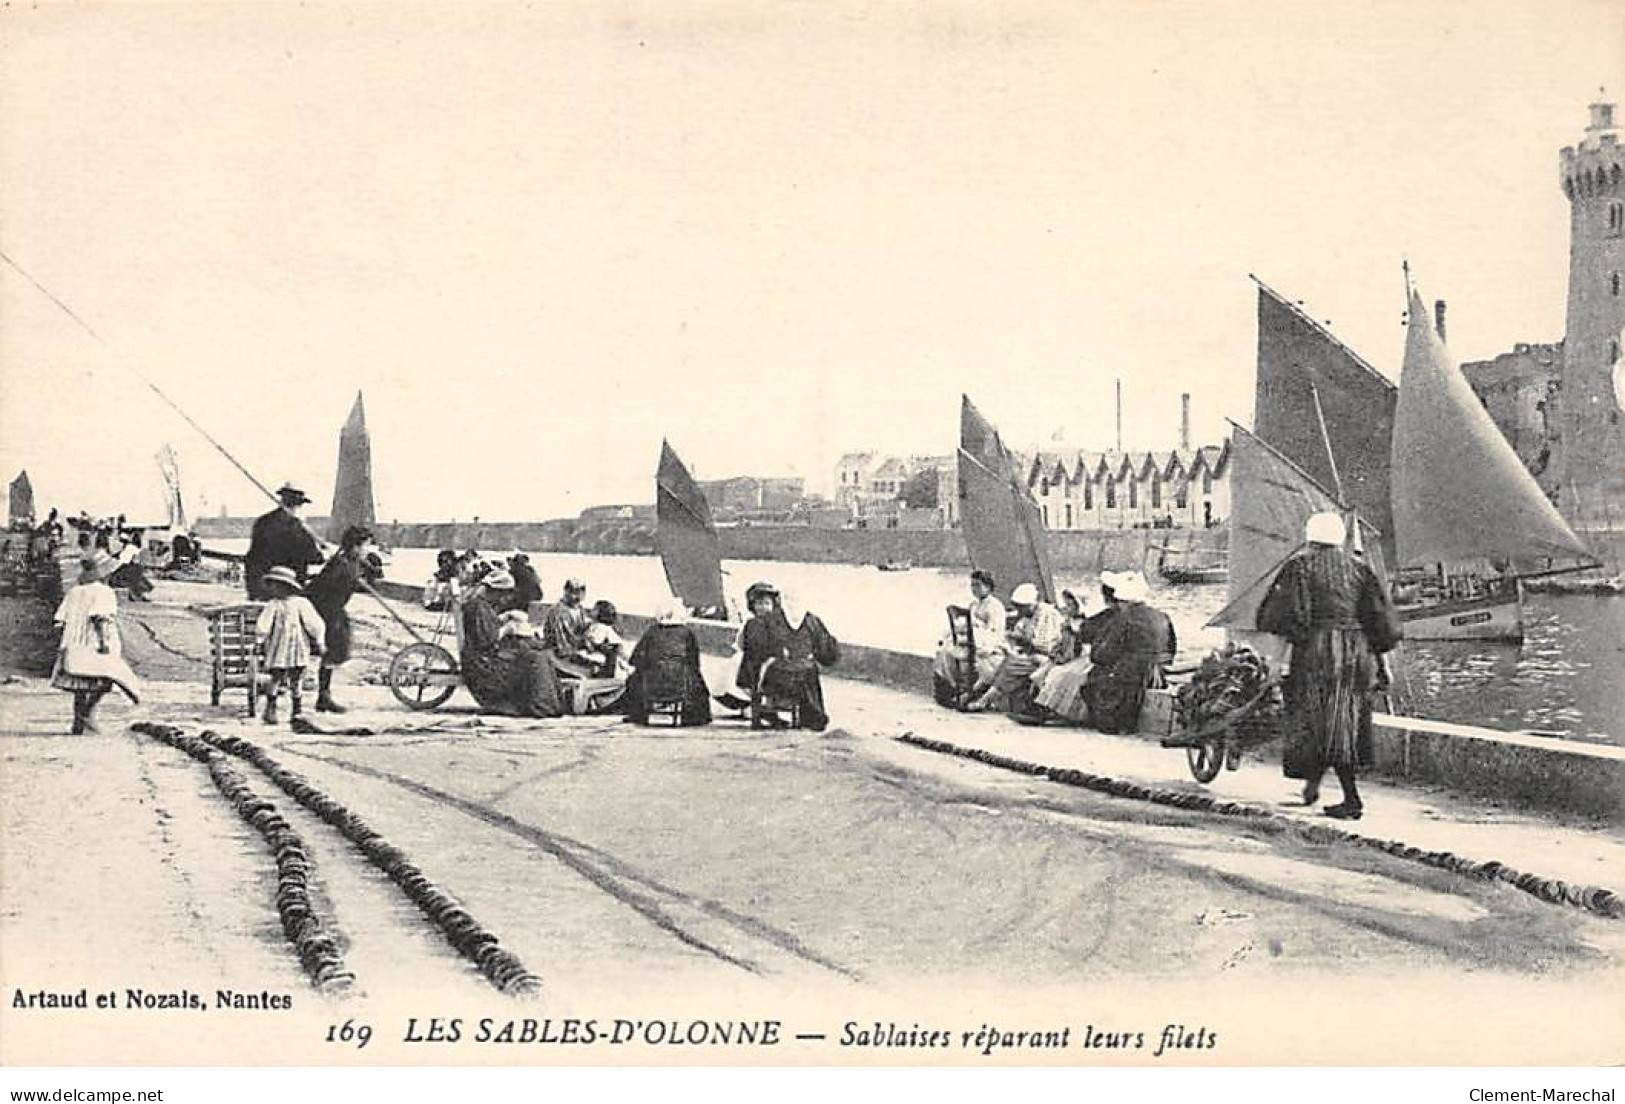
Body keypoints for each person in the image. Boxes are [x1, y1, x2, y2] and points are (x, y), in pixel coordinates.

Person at [1256, 511, 1402, 820]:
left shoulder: (1299, 568)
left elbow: (1287, 620)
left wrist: (1274, 664)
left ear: (1310, 539)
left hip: (1318, 653)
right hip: (1358, 653)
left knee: (1320, 722)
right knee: (1341, 721)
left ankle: (1352, 800)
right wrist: (1383, 666)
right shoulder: (1360, 570)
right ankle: (1313, 786)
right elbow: (1379, 624)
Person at [52, 552, 142, 733]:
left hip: (73, 642)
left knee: (80, 684)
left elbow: (59, 620)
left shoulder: (74, 592)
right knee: (106, 679)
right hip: (94, 642)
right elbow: (99, 618)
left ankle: (78, 722)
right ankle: (87, 714)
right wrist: (104, 642)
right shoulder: (104, 592)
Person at [459, 569, 565, 718]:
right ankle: (542, 705)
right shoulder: (478, 607)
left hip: (483, 656)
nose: (506, 598)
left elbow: (486, 629)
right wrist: (508, 628)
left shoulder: (481, 605)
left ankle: (549, 703)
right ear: (495, 591)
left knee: (533, 654)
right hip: (483, 665)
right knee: (535, 660)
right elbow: (487, 640)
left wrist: (502, 619)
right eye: (504, 594)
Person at [1081, 571, 1176, 734]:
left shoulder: (1123, 619)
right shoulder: (1162, 616)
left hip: (1130, 674)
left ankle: (1109, 721)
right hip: (1158, 671)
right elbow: (1172, 647)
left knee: (1092, 680)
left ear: (1123, 601)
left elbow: (1103, 655)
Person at [736, 585, 840, 730]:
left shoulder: (763, 621)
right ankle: (813, 716)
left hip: (777, 679)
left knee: (762, 668)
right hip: (806, 679)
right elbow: (828, 653)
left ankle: (764, 708)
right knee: (808, 669)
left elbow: (754, 652)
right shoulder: (813, 621)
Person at [304, 525, 381, 714]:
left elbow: (358, 582)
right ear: (355, 547)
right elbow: (322, 588)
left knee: (334, 651)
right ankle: (323, 696)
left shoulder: (349, 562)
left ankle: (324, 695)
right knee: (332, 649)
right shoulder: (340, 565)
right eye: (365, 546)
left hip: (333, 610)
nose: (367, 550)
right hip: (325, 610)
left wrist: (370, 572)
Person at [965, 583, 1065, 714]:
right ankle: (981, 695)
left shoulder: (1047, 614)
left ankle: (983, 698)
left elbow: (1045, 644)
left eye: (1023, 607)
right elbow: (1021, 632)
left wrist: (1022, 640)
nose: (1020, 611)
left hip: (1047, 656)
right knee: (1006, 660)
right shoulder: (1028, 615)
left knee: (1011, 665)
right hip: (1034, 653)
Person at [254, 565, 326, 724]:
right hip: (279, 646)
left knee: (296, 677)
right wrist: (259, 640)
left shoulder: (301, 603)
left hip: (297, 646)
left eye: (276, 585)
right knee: (276, 676)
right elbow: (263, 624)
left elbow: (314, 623)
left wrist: (319, 640)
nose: (273, 589)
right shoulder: (273, 604)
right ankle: (270, 708)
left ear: (286, 586)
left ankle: (297, 709)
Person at [623, 599, 712, 726]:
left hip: (652, 682)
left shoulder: (652, 632)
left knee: (633, 681)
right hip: (680, 682)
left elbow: (635, 658)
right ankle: (695, 717)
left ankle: (637, 715)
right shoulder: (687, 633)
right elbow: (694, 661)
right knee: (698, 684)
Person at [932, 569, 1008, 708]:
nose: (975, 589)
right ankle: (951, 690)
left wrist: (979, 631)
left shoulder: (995, 606)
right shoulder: (974, 605)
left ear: (988, 587)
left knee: (978, 660)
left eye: (978, 585)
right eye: (972, 586)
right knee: (945, 652)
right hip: (971, 641)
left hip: (988, 643)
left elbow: (996, 630)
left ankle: (970, 693)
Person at [244, 483, 324, 600]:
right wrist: (323, 551)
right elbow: (316, 558)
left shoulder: (262, 522)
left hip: (264, 586)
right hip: (289, 589)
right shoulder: (298, 529)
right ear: (298, 505)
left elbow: (252, 558)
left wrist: (253, 590)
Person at [542, 577, 593, 675]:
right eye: (574, 593)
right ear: (566, 591)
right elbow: (560, 640)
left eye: (580, 594)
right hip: (559, 654)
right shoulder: (558, 611)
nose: (577, 597)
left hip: (574, 650)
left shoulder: (580, 609)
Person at [106, 532, 155, 601]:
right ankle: (138, 594)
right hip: (128, 569)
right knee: (135, 577)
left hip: (124, 569)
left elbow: (123, 561)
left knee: (133, 576)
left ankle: (137, 594)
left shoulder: (130, 548)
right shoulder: (135, 549)